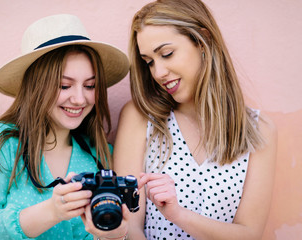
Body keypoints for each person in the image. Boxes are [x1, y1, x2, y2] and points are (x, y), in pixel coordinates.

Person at [113, 0, 277, 239]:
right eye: (149, 62)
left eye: (166, 54)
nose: (158, 72)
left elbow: (249, 234)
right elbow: (130, 225)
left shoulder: (259, 130)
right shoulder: (140, 118)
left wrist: (178, 215)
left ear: (203, 41)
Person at [0, 14, 130, 240]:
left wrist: (117, 235)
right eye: (64, 85)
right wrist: (51, 211)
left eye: (90, 85)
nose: (79, 99)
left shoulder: (100, 154)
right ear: (36, 85)